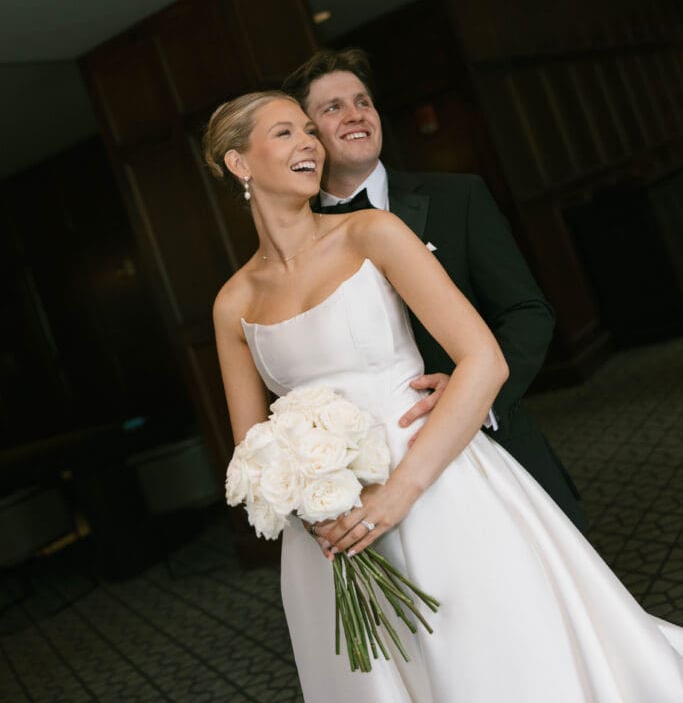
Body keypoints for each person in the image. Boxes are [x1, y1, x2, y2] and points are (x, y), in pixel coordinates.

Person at [205, 90, 682, 703]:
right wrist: (313, 511)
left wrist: (397, 495)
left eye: (308, 131)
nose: (309, 144)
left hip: (437, 487)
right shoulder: (233, 302)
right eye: (285, 133)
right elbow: (250, 448)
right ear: (239, 163)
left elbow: (484, 360)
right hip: (333, 530)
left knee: (494, 664)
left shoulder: (372, 232)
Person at [282, 48, 585, 529]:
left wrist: (473, 394)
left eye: (363, 102)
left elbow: (527, 311)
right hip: (375, 476)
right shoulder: (295, 242)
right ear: (307, 135)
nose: (356, 114)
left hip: (493, 448)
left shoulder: (457, 197)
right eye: (333, 107)